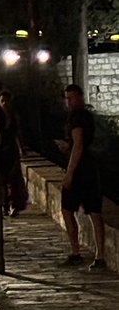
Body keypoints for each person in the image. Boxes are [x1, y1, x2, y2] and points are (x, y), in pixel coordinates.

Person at [58, 84, 105, 269]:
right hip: (89, 168)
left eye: (71, 98)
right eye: (67, 98)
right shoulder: (85, 116)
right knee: (93, 211)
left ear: (79, 97)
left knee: (69, 209)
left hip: (81, 170)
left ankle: (77, 252)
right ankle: (99, 255)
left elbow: (79, 145)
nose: (68, 102)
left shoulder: (77, 118)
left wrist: (69, 174)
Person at [0, 91, 27, 215]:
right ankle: (4, 204)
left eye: (6, 101)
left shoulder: (14, 116)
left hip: (11, 150)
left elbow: (18, 133)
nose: (4, 103)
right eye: (2, 101)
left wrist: (21, 148)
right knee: (1, 178)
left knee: (13, 179)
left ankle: (14, 204)